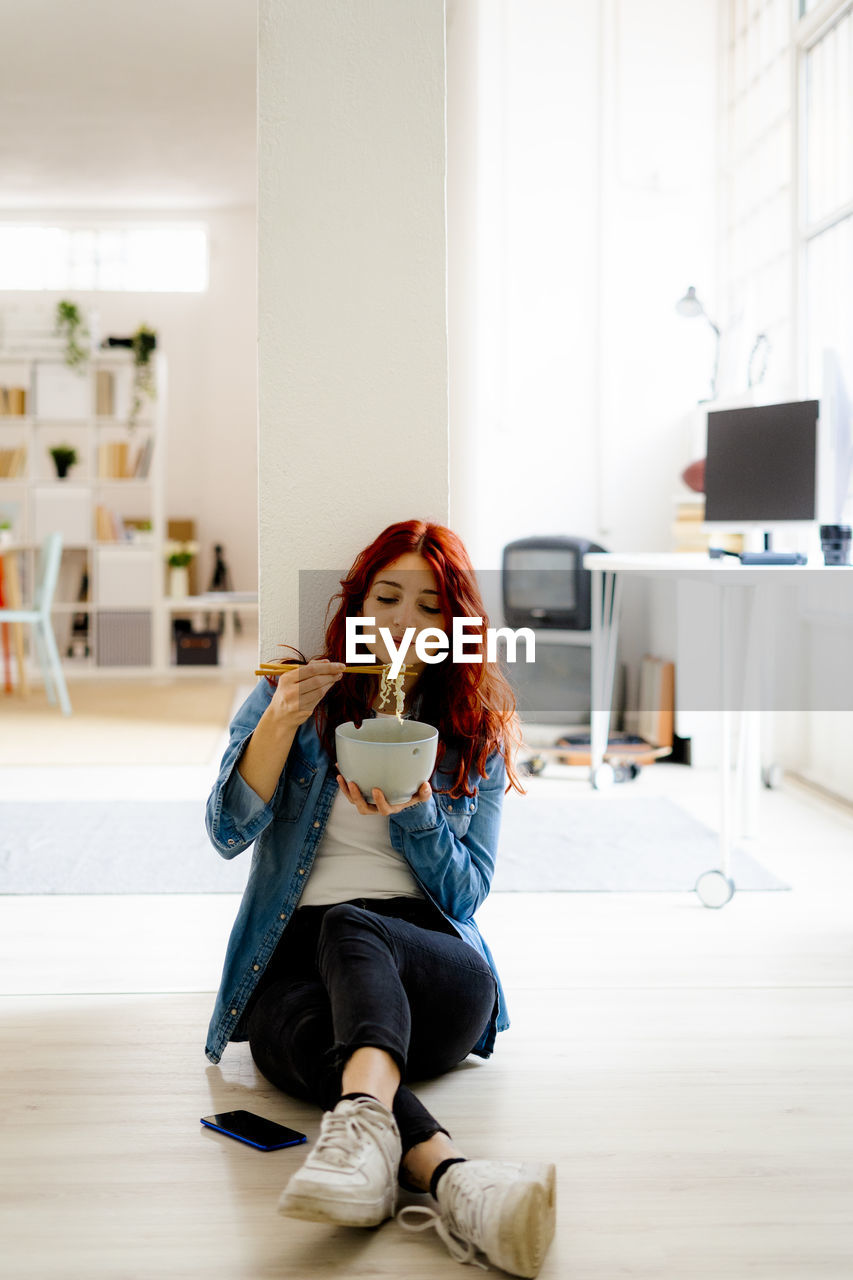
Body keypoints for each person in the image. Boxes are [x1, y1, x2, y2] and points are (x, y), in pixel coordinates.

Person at [205, 520, 556, 1277]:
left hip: (432, 972)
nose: (401, 620)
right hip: (299, 966)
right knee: (291, 1034)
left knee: (352, 925)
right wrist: (278, 723)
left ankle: (363, 1134)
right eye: (385, 596)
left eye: (429, 606)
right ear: (356, 608)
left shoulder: (476, 727)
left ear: (454, 626)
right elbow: (227, 831)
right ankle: (455, 1180)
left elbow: (467, 894)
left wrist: (420, 815)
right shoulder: (289, 696)